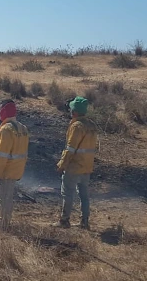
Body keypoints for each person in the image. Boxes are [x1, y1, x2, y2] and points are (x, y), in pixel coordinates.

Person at [54, 96, 98, 230]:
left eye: (71, 109)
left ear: (75, 112)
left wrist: (62, 165)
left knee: (67, 193)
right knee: (84, 195)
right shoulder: (91, 125)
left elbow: (70, 149)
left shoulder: (76, 126)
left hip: (74, 166)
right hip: (87, 166)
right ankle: (84, 221)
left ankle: (64, 220)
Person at [0, 99, 30, 231]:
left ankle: (4, 225)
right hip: (16, 171)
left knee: (4, 198)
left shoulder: (6, 130)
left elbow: (1, 155)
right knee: (8, 197)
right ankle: (5, 222)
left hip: (5, 171)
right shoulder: (23, 129)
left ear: (3, 112)